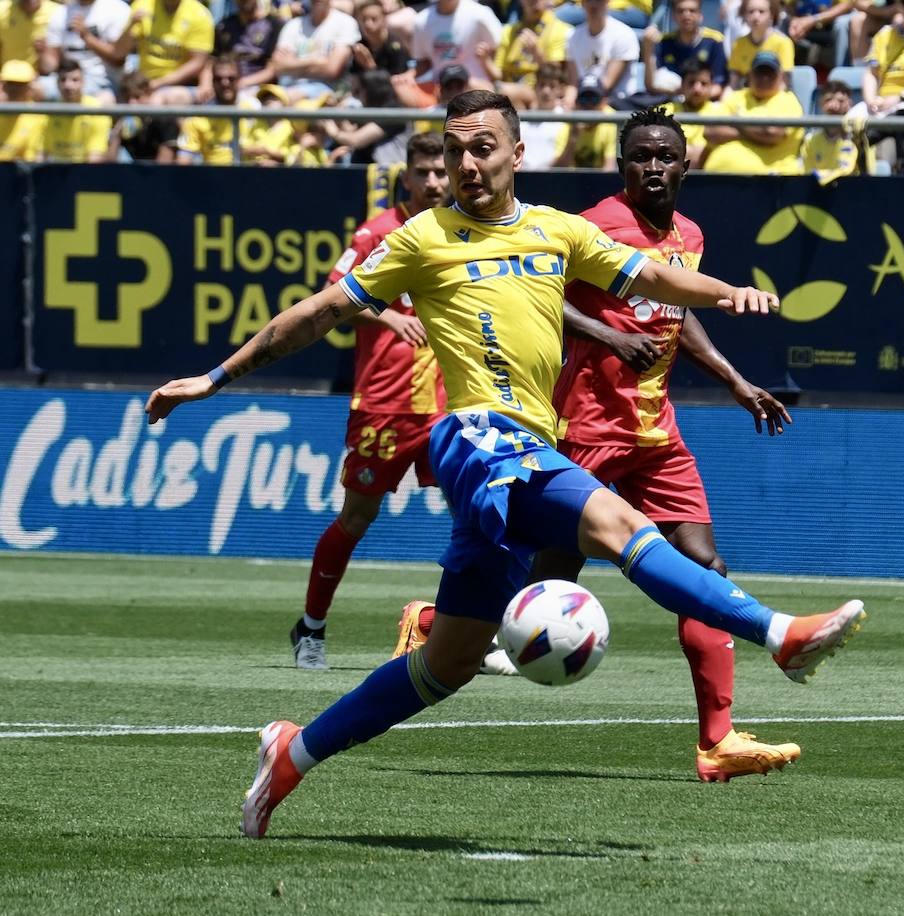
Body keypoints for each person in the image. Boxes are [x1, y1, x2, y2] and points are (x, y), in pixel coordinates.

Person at [143, 89, 866, 838]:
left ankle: (294, 752)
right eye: (454, 149)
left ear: (517, 154)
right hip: (478, 437)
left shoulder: (558, 231)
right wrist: (215, 379)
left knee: (447, 664)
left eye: (481, 147)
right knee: (621, 526)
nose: (466, 163)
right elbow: (323, 311)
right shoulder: (423, 237)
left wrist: (729, 292)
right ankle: (779, 635)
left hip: (530, 445)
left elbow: (652, 279)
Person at [398, 107, 805, 780]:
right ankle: (437, 623)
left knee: (705, 563)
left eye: (665, 156)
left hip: (655, 429)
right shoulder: (593, 224)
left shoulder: (689, 234)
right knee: (550, 572)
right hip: (586, 421)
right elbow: (538, 295)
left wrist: (734, 380)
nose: (653, 166)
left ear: (686, 165)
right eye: (640, 156)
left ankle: (718, 739)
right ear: (621, 165)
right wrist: (609, 335)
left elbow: (673, 312)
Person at [290, 132, 486, 671]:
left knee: (474, 517)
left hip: (450, 404)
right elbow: (331, 296)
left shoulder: (465, 229)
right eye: (423, 172)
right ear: (406, 176)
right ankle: (311, 628)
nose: (434, 181)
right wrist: (391, 316)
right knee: (357, 517)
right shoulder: (377, 232)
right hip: (386, 403)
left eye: (440, 172)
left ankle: (469, 634)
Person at [703, 50, 805, 174]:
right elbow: (710, 131)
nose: (764, 78)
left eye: (770, 73)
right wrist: (755, 132)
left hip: (769, 179)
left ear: (781, 76)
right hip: (717, 177)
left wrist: (736, 122)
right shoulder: (736, 97)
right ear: (749, 75)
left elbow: (772, 133)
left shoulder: (788, 101)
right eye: (759, 73)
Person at [111, 0, 214, 99]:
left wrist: (158, 83)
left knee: (161, 99)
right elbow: (118, 53)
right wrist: (131, 25)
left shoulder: (199, 14)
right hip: (143, 81)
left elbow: (198, 62)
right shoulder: (142, 5)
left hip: (181, 85)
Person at [41, 0, 130, 104]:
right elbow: (50, 66)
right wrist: (43, 52)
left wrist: (87, 37)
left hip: (103, 80)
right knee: (35, 89)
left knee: (105, 100)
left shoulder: (117, 9)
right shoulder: (61, 12)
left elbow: (118, 59)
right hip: (66, 77)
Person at [271, 0, 360, 100]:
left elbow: (332, 70)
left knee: (276, 102)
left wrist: (292, 66)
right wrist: (314, 61)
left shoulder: (345, 23)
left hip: (327, 92)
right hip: (287, 88)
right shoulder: (293, 24)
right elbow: (277, 66)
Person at [493, 0, 573, 108]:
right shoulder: (508, 31)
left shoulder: (560, 29)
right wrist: (484, 60)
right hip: (508, 91)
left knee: (501, 90)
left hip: (539, 92)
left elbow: (556, 75)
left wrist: (537, 53)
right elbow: (498, 73)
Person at [410, 0, 501, 93]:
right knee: (405, 89)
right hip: (441, 88)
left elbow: (498, 51)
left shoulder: (481, 14)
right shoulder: (421, 20)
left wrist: (485, 59)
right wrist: (408, 77)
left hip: (476, 87)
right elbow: (423, 61)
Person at [643, 0, 728, 99]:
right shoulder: (663, 42)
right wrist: (648, 50)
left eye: (692, 11)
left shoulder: (714, 41)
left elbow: (718, 87)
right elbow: (651, 85)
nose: (686, 15)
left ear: (700, 15)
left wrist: (690, 97)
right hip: (671, 100)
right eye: (681, 11)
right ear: (673, 16)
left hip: (703, 102)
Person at [175, 55, 251, 164]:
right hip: (212, 173)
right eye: (219, 79)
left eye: (231, 78)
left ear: (239, 79)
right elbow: (183, 160)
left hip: (250, 172)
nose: (225, 83)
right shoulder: (198, 116)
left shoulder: (255, 110)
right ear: (212, 81)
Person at [38, 56, 113, 162]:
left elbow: (95, 158)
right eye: (63, 80)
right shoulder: (50, 113)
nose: (68, 85)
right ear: (57, 83)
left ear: (83, 82)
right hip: (56, 170)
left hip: (84, 170)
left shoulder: (97, 111)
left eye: (75, 80)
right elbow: (42, 154)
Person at [206, 0, 281, 101]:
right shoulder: (224, 26)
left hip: (260, 89)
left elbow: (272, 70)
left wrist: (242, 82)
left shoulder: (273, 25)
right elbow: (211, 62)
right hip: (225, 85)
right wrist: (207, 84)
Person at [566, 0, 639, 100]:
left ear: (607, 2)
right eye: (588, 0)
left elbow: (607, 85)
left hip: (616, 100)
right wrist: (568, 100)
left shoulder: (624, 34)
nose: (593, 4)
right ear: (582, 3)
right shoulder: (572, 36)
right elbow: (573, 83)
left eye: (599, 0)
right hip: (582, 98)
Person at [800, 78, 869, 181]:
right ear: (820, 103)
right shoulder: (810, 140)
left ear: (850, 104)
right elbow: (807, 172)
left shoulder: (857, 137)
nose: (834, 106)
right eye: (828, 100)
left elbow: (846, 171)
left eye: (841, 101)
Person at [553, 74, 618, 169]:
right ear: (576, 103)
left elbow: (609, 168)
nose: (588, 105)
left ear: (603, 103)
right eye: (583, 99)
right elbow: (558, 170)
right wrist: (573, 138)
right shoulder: (567, 123)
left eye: (594, 99)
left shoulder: (611, 119)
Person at [110, 70, 176, 161]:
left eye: (137, 97)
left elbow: (164, 164)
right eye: (127, 98)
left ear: (149, 93)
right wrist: (117, 135)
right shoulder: (125, 124)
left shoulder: (165, 120)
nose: (132, 103)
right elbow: (110, 163)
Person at [729, 0, 796, 88]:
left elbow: (784, 84)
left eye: (761, 11)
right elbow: (734, 83)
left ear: (772, 15)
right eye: (751, 11)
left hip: (775, 94)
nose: (755, 16)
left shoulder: (783, 43)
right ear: (744, 15)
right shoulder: (738, 44)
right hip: (747, 94)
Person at [668, 59, 720, 167]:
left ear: (711, 86)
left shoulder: (721, 112)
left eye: (703, 83)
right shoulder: (664, 112)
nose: (697, 89)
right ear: (682, 85)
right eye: (691, 83)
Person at [0, 60, 45, 161]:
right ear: (3, 85)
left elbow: (33, 160)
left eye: (20, 84)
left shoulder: (37, 117)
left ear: (30, 86)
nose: (14, 89)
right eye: (10, 83)